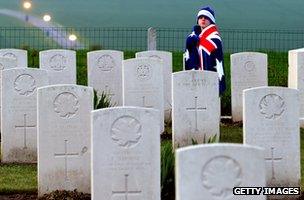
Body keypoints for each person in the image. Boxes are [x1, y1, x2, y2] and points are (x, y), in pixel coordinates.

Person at [185, 6, 226, 95]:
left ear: (211, 20)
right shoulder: (192, 38)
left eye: (206, 17)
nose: (203, 19)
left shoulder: (214, 38)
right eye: (200, 17)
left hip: (210, 78)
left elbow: (217, 59)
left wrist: (200, 41)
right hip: (196, 75)